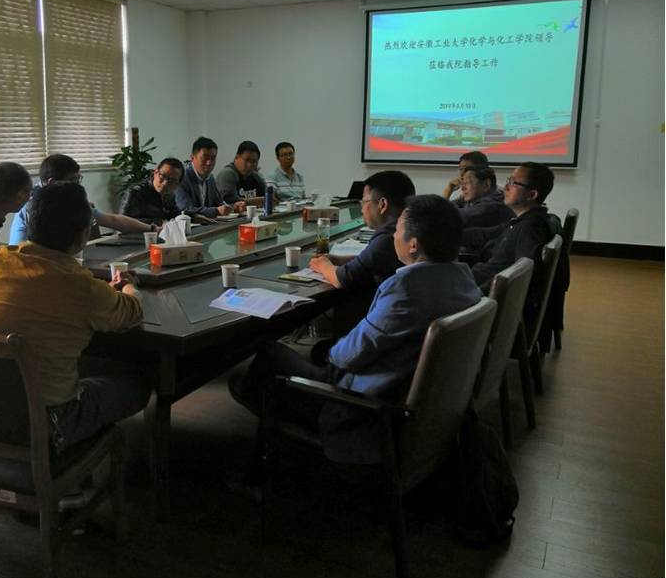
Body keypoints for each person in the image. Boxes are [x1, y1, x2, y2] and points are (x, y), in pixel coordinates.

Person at [232, 194, 482, 463]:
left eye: (398, 229)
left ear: (413, 245)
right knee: (317, 351)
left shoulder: (405, 291)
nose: (392, 235)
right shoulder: (465, 281)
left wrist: (337, 349)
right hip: (419, 403)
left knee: (268, 357)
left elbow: (344, 357)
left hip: (365, 410)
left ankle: (270, 462)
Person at [0, 181, 149, 455]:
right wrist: (128, 286)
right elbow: (132, 311)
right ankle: (79, 462)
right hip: (48, 422)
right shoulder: (79, 285)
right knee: (136, 384)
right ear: (82, 236)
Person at [10, 154, 159, 244]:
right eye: (72, 180)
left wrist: (151, 228)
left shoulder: (63, 196)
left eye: (78, 179)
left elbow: (112, 220)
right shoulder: (34, 205)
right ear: (52, 182)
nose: (77, 184)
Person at [308, 170, 414, 291]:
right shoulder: (410, 229)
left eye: (364, 201)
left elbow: (342, 279)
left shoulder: (388, 238)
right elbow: (370, 261)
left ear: (382, 204)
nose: (362, 209)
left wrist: (322, 265)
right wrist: (337, 259)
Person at [466, 162, 556, 295]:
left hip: (477, 290)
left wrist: (476, 294)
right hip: (475, 281)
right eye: (508, 181)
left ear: (532, 195)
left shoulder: (530, 228)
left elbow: (521, 275)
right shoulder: (522, 221)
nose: (505, 187)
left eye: (513, 183)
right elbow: (487, 234)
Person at [175, 136, 246, 218]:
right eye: (204, 158)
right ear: (192, 158)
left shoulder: (210, 178)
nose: (209, 162)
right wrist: (216, 211)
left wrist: (233, 207)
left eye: (213, 158)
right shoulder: (181, 177)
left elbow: (218, 203)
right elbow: (185, 209)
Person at [118, 157, 183, 224]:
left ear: (177, 184)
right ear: (155, 173)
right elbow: (122, 222)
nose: (165, 183)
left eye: (172, 181)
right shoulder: (135, 193)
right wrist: (156, 222)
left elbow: (173, 214)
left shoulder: (170, 195)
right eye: (162, 176)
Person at [215, 140, 271, 207]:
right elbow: (229, 201)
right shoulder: (227, 174)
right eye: (247, 160)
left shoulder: (255, 176)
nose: (250, 165)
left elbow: (268, 196)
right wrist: (257, 201)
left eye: (254, 161)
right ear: (236, 158)